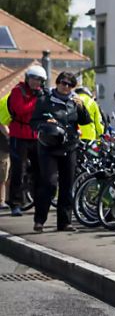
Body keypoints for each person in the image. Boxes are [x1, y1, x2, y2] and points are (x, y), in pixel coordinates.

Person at [30, 72, 91, 232]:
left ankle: (65, 222)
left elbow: (85, 121)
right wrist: (45, 125)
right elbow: (34, 121)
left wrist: (81, 107)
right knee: (49, 183)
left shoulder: (74, 101)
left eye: (70, 85)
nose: (66, 87)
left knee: (67, 185)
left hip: (69, 145)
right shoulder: (45, 100)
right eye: (63, 83)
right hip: (48, 145)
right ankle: (39, 220)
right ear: (57, 83)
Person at [7, 65, 47, 217]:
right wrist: (37, 100)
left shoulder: (42, 94)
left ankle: (38, 201)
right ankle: (15, 203)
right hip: (19, 135)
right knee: (19, 170)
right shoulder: (18, 91)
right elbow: (20, 110)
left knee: (40, 171)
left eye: (39, 80)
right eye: (33, 79)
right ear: (27, 79)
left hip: (36, 136)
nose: (35, 83)